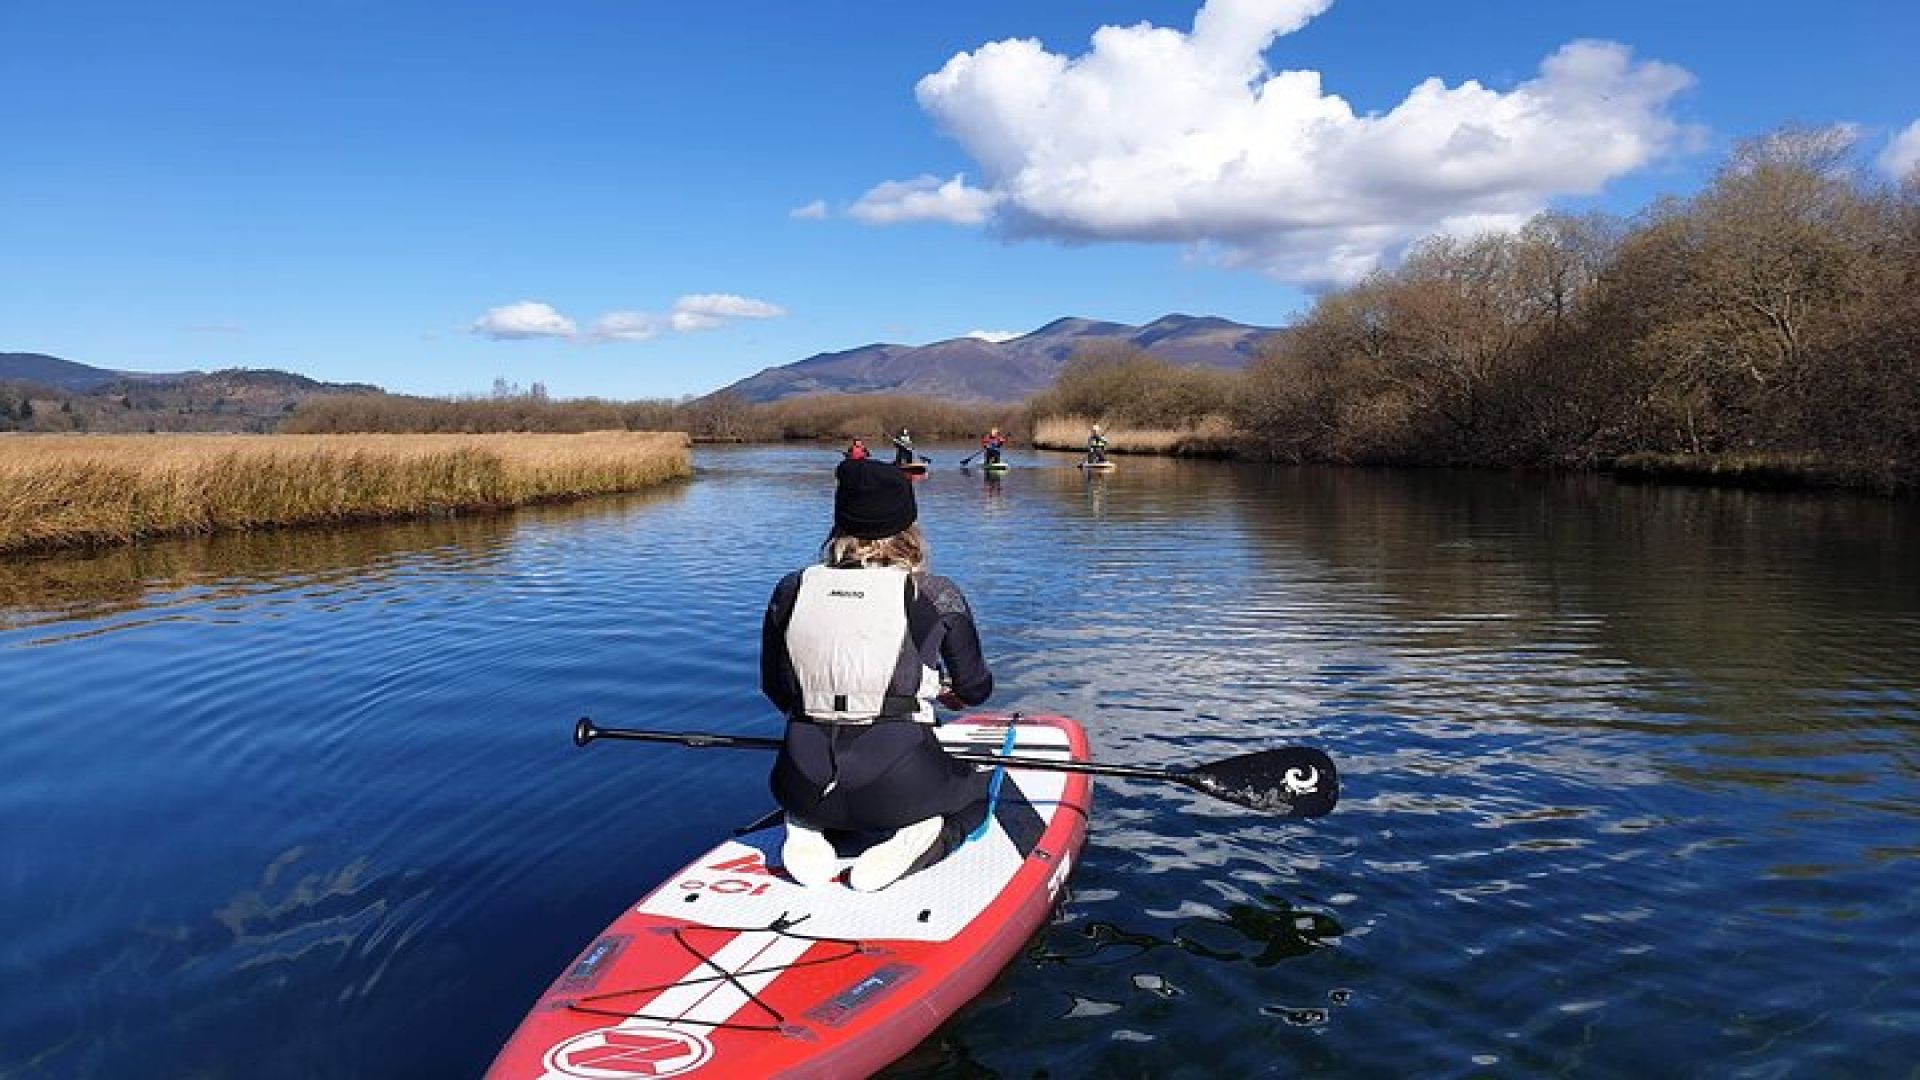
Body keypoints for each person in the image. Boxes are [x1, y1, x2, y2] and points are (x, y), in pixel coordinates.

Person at [760, 458, 995, 891]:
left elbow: (777, 690)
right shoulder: (934, 593)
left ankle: (807, 829)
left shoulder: (791, 589)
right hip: (903, 783)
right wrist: (946, 693)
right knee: (979, 792)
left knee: (826, 787)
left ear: (839, 523)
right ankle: (918, 836)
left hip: (799, 780)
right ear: (909, 526)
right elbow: (976, 689)